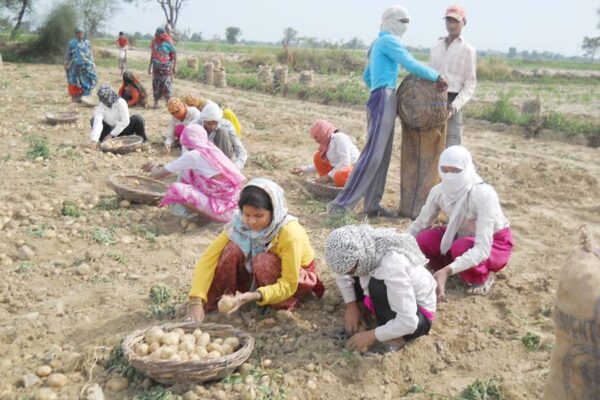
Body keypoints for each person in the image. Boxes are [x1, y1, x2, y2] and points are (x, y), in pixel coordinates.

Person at [328, 6, 447, 218]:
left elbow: (367, 75)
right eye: (403, 21)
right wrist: (436, 76)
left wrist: (379, 87)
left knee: (381, 155)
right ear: (391, 21)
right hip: (384, 97)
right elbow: (409, 63)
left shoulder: (377, 43)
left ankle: (372, 206)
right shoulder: (389, 41)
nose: (405, 26)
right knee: (372, 155)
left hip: (381, 96)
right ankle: (340, 205)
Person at [187, 178, 325, 321]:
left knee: (263, 261)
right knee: (232, 249)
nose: (252, 222)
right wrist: (196, 300)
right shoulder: (238, 224)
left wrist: (256, 295)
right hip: (255, 272)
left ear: (273, 211)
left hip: (294, 281)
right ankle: (221, 300)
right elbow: (209, 258)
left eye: (259, 216)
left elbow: (290, 283)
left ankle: (281, 304)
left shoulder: (289, 233)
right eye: (247, 215)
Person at [408, 145, 514, 299]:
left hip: (493, 242)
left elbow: (483, 247)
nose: (450, 176)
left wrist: (446, 271)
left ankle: (482, 277)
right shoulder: (439, 192)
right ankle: (452, 268)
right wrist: (398, 244)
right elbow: (420, 224)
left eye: (456, 171)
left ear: (467, 168)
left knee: (461, 247)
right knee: (423, 239)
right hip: (459, 233)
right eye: (445, 170)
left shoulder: (483, 194)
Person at [325, 224, 436, 354]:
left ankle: (395, 338)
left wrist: (371, 336)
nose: (349, 273)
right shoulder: (362, 245)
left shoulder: (393, 265)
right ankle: (367, 319)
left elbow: (409, 322)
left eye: (351, 269)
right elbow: (343, 270)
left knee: (376, 284)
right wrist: (351, 306)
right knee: (359, 274)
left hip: (418, 317)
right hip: (393, 293)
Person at [143, 125, 246, 223]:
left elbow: (159, 175)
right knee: (187, 172)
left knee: (176, 189)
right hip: (233, 201)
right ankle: (202, 211)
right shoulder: (211, 149)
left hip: (223, 211)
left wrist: (152, 168)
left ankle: (202, 217)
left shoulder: (193, 155)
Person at [429, 4, 476, 147]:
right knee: (431, 143)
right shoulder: (436, 47)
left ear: (464, 23)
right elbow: (429, 74)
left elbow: (470, 84)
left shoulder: (468, 50)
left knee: (452, 144)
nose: (452, 25)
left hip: (453, 99)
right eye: (449, 21)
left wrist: (454, 106)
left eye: (456, 21)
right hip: (433, 99)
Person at [290, 120, 359, 188]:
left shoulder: (339, 138)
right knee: (318, 157)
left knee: (340, 176)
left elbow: (345, 162)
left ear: (323, 133)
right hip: (338, 169)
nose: (316, 140)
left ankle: (340, 184)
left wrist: (328, 176)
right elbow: (322, 164)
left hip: (353, 169)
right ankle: (328, 182)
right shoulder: (326, 145)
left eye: (316, 137)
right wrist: (303, 169)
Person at [89, 84, 147, 150]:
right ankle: (106, 142)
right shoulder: (101, 107)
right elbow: (98, 124)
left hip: (123, 130)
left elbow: (125, 121)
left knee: (138, 118)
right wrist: (94, 140)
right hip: (108, 130)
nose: (106, 101)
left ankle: (142, 142)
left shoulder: (121, 102)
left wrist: (111, 135)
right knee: (93, 120)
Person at [195, 103, 247, 169]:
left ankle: (224, 168)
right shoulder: (195, 125)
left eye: (215, 123)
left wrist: (236, 166)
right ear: (204, 120)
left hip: (224, 159)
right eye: (209, 123)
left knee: (222, 132)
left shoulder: (226, 124)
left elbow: (241, 150)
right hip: (203, 160)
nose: (212, 127)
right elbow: (187, 151)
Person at [64, 27, 97, 103]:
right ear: (76, 34)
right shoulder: (72, 43)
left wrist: (93, 63)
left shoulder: (87, 43)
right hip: (75, 66)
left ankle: (85, 96)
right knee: (74, 81)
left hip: (86, 66)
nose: (80, 34)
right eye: (78, 33)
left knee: (90, 80)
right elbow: (67, 54)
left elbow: (90, 53)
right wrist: (66, 63)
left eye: (81, 33)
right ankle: (75, 97)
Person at [148, 27, 177, 109]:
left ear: (162, 34)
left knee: (167, 85)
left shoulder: (168, 42)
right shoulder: (154, 42)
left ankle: (169, 104)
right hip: (156, 68)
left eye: (158, 35)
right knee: (156, 84)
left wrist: (174, 66)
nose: (157, 36)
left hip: (166, 68)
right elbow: (152, 54)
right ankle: (156, 103)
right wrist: (149, 66)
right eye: (156, 35)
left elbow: (174, 54)